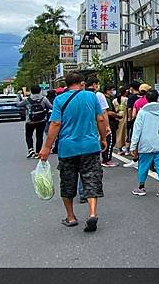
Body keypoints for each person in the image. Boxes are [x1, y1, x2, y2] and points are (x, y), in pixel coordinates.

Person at [38, 72, 107, 233]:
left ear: (66, 84)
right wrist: (103, 138)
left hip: (67, 148)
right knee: (91, 179)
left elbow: (55, 123)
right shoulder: (91, 96)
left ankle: (71, 217)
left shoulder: (59, 100)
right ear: (82, 83)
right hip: (90, 146)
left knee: (68, 182)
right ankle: (92, 213)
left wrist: (46, 147)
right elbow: (101, 119)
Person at [130, 90, 159, 197]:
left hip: (145, 144)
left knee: (143, 166)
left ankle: (141, 187)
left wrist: (133, 145)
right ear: (157, 98)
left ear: (146, 99)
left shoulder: (142, 112)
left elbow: (137, 130)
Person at [17, 85, 53, 159]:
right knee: (39, 136)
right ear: (40, 91)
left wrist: (18, 95)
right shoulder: (44, 99)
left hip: (30, 121)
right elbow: (51, 107)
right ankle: (38, 151)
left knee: (28, 135)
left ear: (31, 91)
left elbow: (18, 104)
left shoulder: (28, 100)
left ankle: (31, 150)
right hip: (41, 120)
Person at [124, 81, 142, 168]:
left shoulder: (131, 98)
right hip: (144, 121)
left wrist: (129, 118)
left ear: (132, 88)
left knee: (134, 138)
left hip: (135, 121)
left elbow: (130, 109)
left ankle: (135, 159)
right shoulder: (143, 97)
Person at [102, 84, 119, 167]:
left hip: (108, 122)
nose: (113, 91)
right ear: (108, 90)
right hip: (109, 123)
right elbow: (108, 112)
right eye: (112, 89)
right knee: (110, 141)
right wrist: (117, 115)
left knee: (108, 141)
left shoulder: (108, 99)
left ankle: (106, 159)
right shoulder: (106, 99)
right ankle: (107, 160)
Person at [113, 87, 129, 155]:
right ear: (125, 92)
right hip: (125, 118)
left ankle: (120, 149)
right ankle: (127, 149)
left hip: (117, 118)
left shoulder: (114, 100)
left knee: (118, 134)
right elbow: (129, 108)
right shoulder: (126, 99)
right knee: (126, 134)